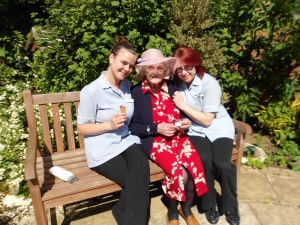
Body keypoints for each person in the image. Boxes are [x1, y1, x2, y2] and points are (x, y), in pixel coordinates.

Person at [76, 36, 150, 225]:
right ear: (111, 58)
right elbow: (82, 128)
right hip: (102, 148)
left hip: (125, 140)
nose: (126, 69)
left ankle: (120, 211)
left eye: (131, 66)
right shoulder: (91, 91)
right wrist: (108, 125)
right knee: (135, 182)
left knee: (141, 165)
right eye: (123, 63)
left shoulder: (126, 86)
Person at [130, 49, 208, 225]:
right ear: (143, 70)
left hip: (180, 138)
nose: (155, 72)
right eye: (150, 68)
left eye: (159, 68)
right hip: (155, 142)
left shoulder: (173, 87)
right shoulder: (136, 93)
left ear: (165, 70)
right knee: (176, 170)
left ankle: (186, 209)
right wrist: (156, 128)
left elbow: (181, 114)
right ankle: (172, 212)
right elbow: (133, 127)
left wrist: (185, 121)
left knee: (195, 165)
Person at [171, 46, 240, 225]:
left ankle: (231, 205)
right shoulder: (177, 85)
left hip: (217, 127)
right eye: (179, 68)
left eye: (188, 67)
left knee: (223, 165)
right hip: (195, 128)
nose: (184, 72)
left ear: (196, 65)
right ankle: (210, 204)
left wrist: (183, 107)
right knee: (203, 159)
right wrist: (183, 120)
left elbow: (208, 120)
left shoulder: (209, 83)